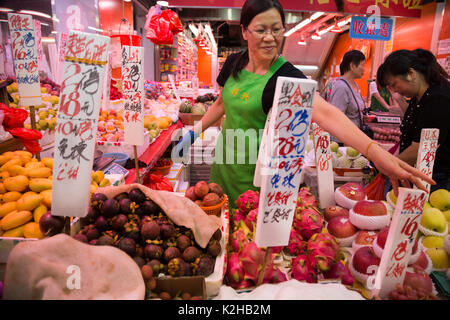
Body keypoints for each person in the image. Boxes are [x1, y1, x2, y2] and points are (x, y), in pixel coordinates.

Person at [174, 0, 434, 209]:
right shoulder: (234, 63)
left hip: (256, 180)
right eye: (261, 30)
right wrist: (193, 133)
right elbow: (221, 103)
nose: (270, 38)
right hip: (223, 169)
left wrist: (375, 152)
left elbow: (327, 113)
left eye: (276, 30)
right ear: (244, 31)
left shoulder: (288, 76)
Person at [379, 49, 450, 191]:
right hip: (421, 173)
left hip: (438, 180)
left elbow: (421, 149)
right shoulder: (418, 96)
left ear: (411, 74)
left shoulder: (438, 99)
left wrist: (388, 164)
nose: (394, 90)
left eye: (394, 84)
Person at [328, 50, 367, 143]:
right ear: (352, 66)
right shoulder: (341, 87)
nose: (364, 69)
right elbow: (337, 117)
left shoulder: (354, 85)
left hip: (352, 138)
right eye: (362, 65)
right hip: (341, 141)